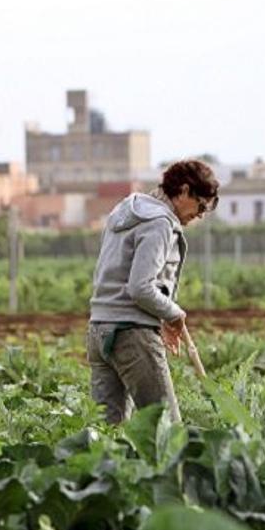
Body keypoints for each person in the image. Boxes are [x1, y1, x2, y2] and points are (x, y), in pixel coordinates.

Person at [87, 159, 219, 423]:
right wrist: (173, 313)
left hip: (99, 332)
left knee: (105, 434)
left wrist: (163, 315)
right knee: (165, 430)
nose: (201, 214)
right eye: (201, 205)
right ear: (183, 191)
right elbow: (140, 287)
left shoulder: (125, 209)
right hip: (131, 335)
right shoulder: (160, 222)